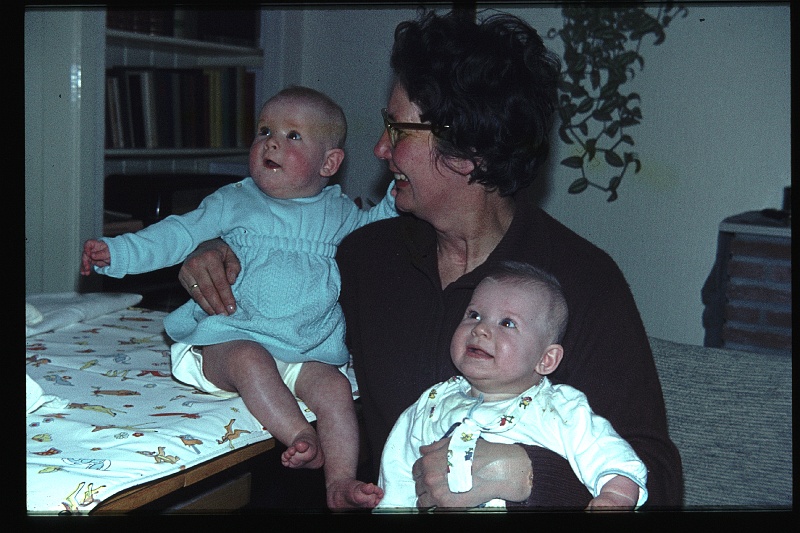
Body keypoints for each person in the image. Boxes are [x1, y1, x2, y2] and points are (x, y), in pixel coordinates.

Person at [178, 10, 683, 510]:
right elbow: (280, 320)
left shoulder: (581, 280)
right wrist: (224, 253)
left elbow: (658, 479)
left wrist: (522, 474)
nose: (378, 149)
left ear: (469, 151)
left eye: (397, 131)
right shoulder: (366, 256)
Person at [80, 85, 392, 509]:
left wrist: (395, 196)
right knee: (250, 359)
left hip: (304, 349)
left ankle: (339, 483)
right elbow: (177, 233)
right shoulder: (235, 200)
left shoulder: (340, 215)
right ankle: (300, 434)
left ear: (329, 163)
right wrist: (117, 252)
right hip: (229, 340)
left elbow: (376, 234)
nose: (272, 142)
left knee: (336, 387)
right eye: (265, 130)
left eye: (293, 136)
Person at [376, 261, 647, 511]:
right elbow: (399, 472)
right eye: (474, 314)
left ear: (546, 359)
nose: (480, 329)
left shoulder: (562, 410)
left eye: (507, 323)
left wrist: (616, 497)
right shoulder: (433, 402)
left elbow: (611, 457)